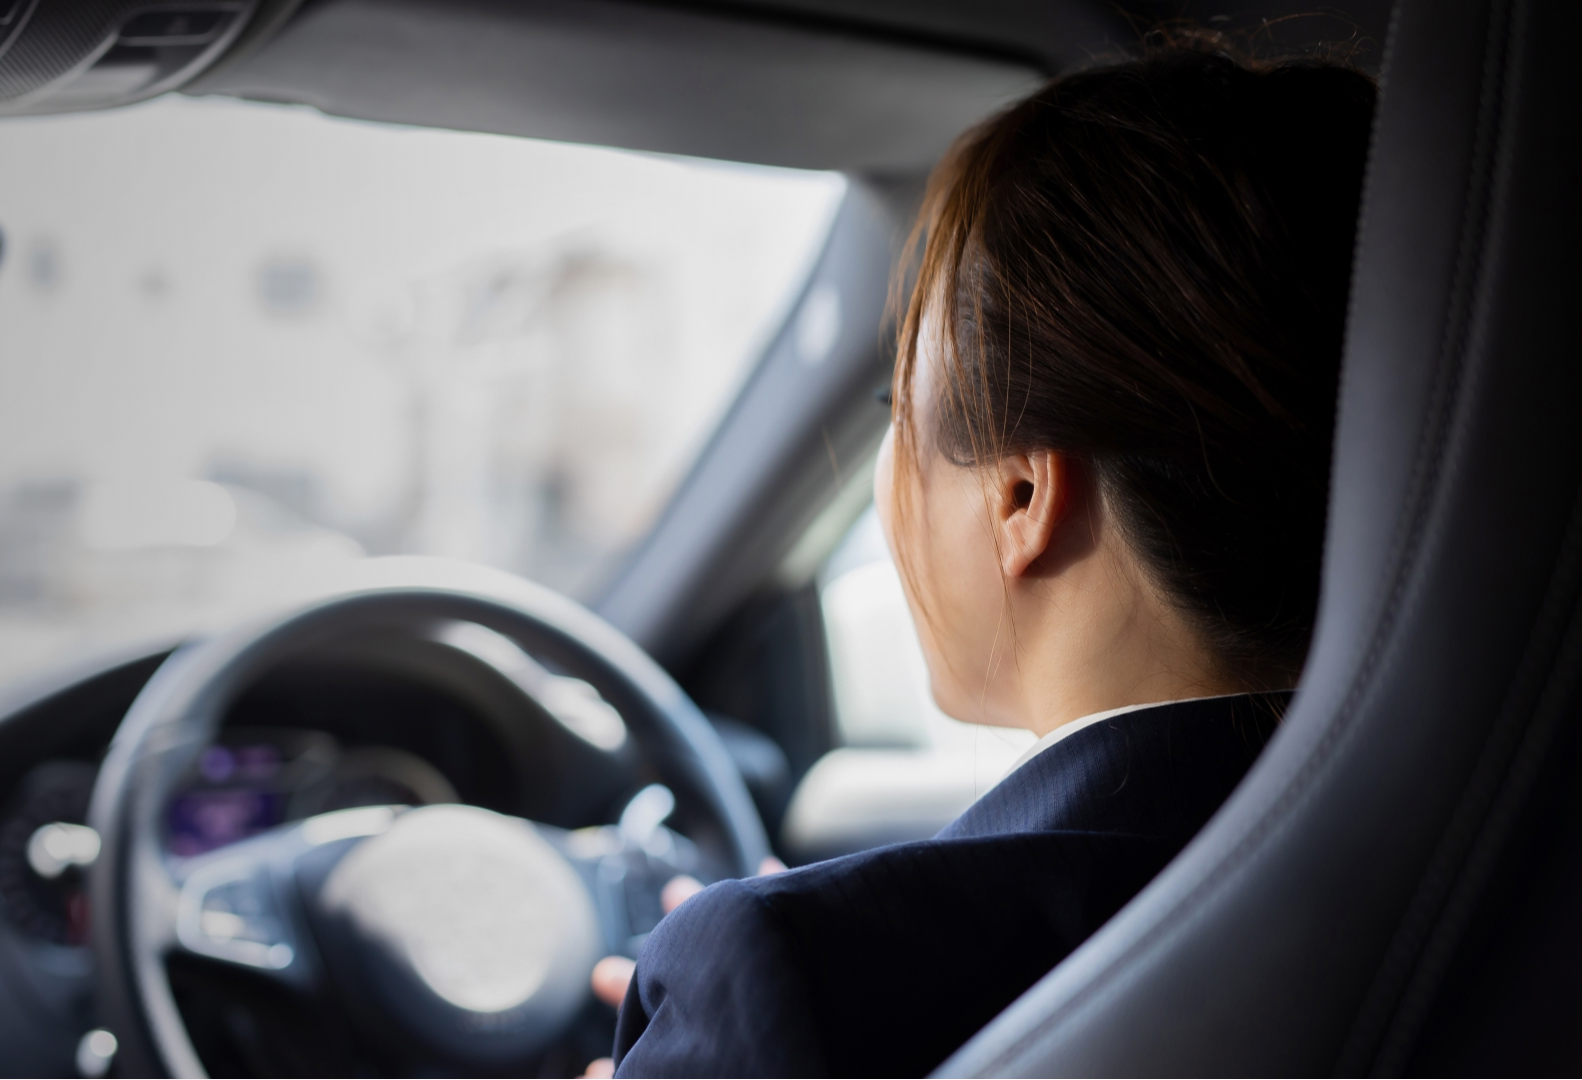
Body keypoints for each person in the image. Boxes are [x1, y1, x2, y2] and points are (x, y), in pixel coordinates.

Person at [585, 34, 1377, 1078]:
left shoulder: (787, 977)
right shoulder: (1477, 875)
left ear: (1020, 494)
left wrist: (778, 975)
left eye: (893, 415)